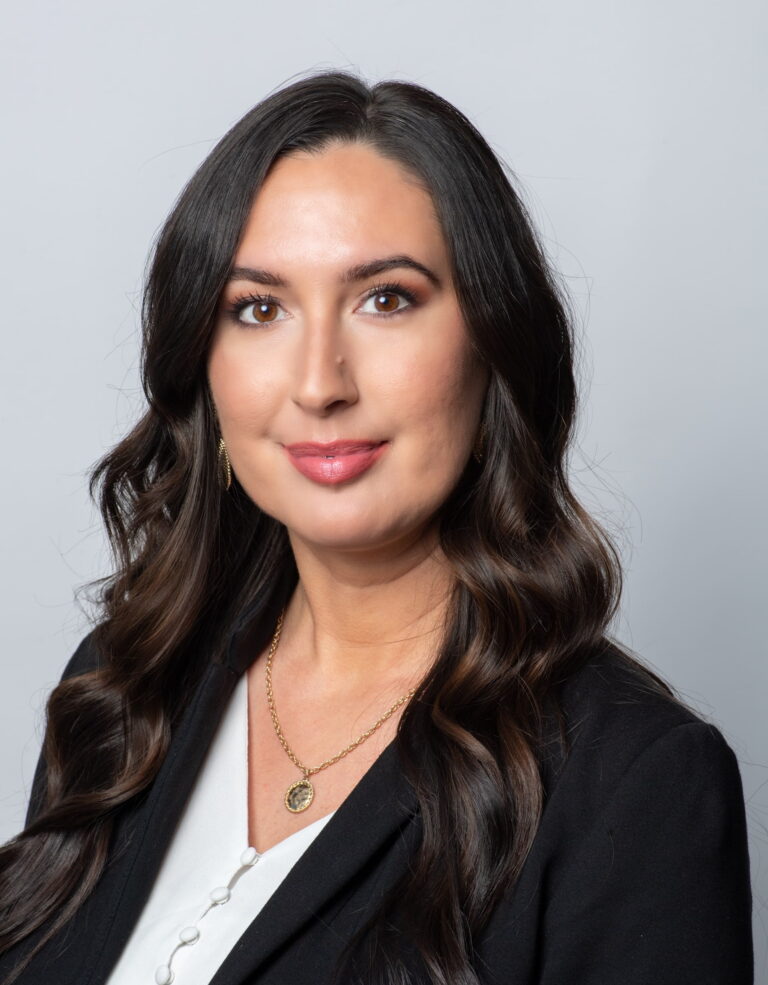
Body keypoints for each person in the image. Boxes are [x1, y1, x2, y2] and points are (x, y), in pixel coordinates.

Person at [0, 70, 753, 985]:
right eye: (259, 308)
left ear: (492, 344)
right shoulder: (124, 691)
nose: (320, 382)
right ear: (206, 368)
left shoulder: (634, 785)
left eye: (386, 298)